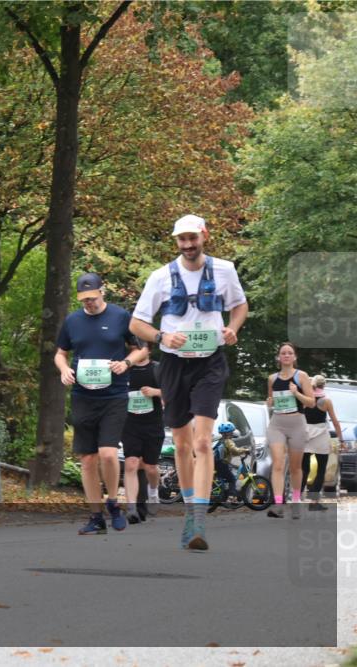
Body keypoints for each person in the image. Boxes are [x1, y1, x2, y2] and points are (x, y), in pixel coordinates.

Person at [130, 214, 248, 551]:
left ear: (204, 236)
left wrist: (232, 328)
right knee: (182, 444)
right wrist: (162, 336)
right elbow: (137, 323)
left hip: (210, 361)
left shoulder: (224, 270)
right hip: (173, 364)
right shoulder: (160, 277)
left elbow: (240, 306)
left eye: (192, 238)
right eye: (182, 239)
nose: (188, 244)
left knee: (202, 441)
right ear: (176, 241)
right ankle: (188, 511)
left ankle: (198, 520)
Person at [55, 273, 148, 536]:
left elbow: (141, 349)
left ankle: (113, 503)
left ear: (102, 292)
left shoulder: (120, 316)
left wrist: (126, 363)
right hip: (83, 396)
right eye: (84, 299)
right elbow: (60, 353)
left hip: (113, 396)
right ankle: (96, 517)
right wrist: (64, 369)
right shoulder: (72, 321)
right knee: (87, 459)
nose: (90, 303)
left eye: (93, 298)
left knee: (107, 453)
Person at [265, 342, 316, 518]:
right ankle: (278, 504)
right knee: (278, 464)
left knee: (295, 467)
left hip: (297, 424)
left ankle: (295, 501)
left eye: (289, 353)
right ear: (278, 357)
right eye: (283, 353)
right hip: (277, 424)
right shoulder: (272, 378)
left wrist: (296, 393)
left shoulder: (301, 376)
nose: (286, 355)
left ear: (294, 357)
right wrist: (269, 403)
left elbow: (311, 402)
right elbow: (271, 400)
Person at [121, 345, 165, 523]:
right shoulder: (123, 370)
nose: (136, 352)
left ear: (149, 350)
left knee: (150, 467)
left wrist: (156, 392)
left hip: (153, 424)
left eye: (139, 348)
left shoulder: (158, 369)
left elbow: (175, 392)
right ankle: (131, 507)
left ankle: (153, 493)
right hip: (130, 424)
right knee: (131, 463)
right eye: (132, 349)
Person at [301, 374, 344, 510]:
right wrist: (341, 439)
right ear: (324, 386)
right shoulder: (326, 401)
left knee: (304, 469)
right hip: (321, 437)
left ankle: (297, 499)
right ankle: (313, 502)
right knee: (321, 469)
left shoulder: (305, 399)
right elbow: (335, 422)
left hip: (305, 436)